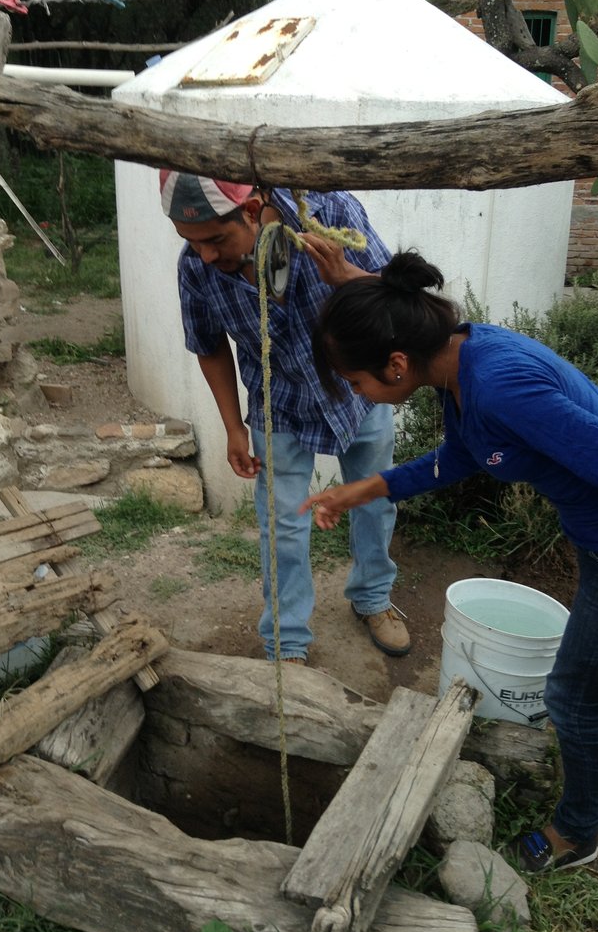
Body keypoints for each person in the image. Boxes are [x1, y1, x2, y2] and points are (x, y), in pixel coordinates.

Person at [299, 250, 598, 874]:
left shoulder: (500, 388)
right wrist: (365, 488)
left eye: (358, 384)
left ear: (396, 362)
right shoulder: (459, 361)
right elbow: (458, 458)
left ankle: (577, 834)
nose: (360, 396)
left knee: (572, 693)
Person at [159, 171, 410, 664]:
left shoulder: (329, 214)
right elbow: (208, 344)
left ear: (251, 211)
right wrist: (233, 426)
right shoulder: (196, 268)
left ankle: (373, 598)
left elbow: (395, 295)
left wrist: (345, 277)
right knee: (283, 525)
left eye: (215, 239)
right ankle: (287, 641)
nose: (206, 255)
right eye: (192, 242)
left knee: (375, 501)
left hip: (359, 391)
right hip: (280, 404)